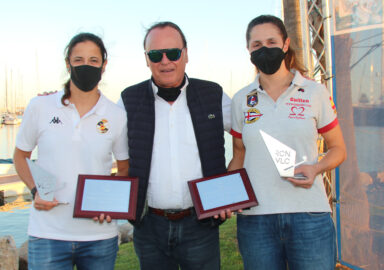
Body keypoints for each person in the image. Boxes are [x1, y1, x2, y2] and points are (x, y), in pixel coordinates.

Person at [228, 15, 347, 270]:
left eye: (271, 41)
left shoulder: (316, 92)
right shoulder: (240, 100)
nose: (264, 49)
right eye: (257, 44)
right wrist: (223, 197)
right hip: (255, 220)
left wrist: (316, 168)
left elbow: (338, 149)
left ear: (285, 44)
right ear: (248, 50)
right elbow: (238, 156)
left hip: (309, 216)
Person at [117, 21, 231, 270]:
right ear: (146, 59)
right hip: (149, 227)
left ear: (186, 54)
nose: (165, 61)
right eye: (156, 55)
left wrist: (228, 193)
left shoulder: (214, 95)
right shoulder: (127, 100)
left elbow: (247, 139)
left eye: (174, 53)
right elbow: (100, 141)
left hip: (200, 225)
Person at [13, 33, 129, 270]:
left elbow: (124, 167)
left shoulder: (117, 115)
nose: (86, 65)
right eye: (78, 60)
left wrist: (111, 204)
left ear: (103, 66)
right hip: (47, 234)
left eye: (93, 60)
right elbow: (20, 156)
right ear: (68, 63)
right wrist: (35, 190)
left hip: (100, 237)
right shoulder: (40, 106)